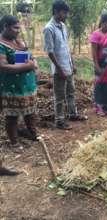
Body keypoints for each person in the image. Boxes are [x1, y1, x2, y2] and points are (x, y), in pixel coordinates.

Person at [43, 0, 87, 130]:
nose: (66, 15)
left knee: (71, 92)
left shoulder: (62, 26)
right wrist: (59, 68)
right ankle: (59, 120)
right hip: (59, 69)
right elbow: (50, 52)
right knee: (59, 95)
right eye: (64, 12)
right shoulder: (48, 28)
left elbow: (66, 48)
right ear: (56, 11)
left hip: (67, 66)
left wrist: (72, 63)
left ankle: (73, 114)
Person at [0, 15, 38, 149]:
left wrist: (34, 61)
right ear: (5, 26)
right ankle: (14, 142)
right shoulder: (1, 44)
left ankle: (32, 133)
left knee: (30, 111)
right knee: (12, 115)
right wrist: (28, 66)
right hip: (12, 87)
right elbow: (3, 66)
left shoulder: (17, 41)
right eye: (15, 27)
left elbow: (27, 56)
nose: (18, 30)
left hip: (27, 85)